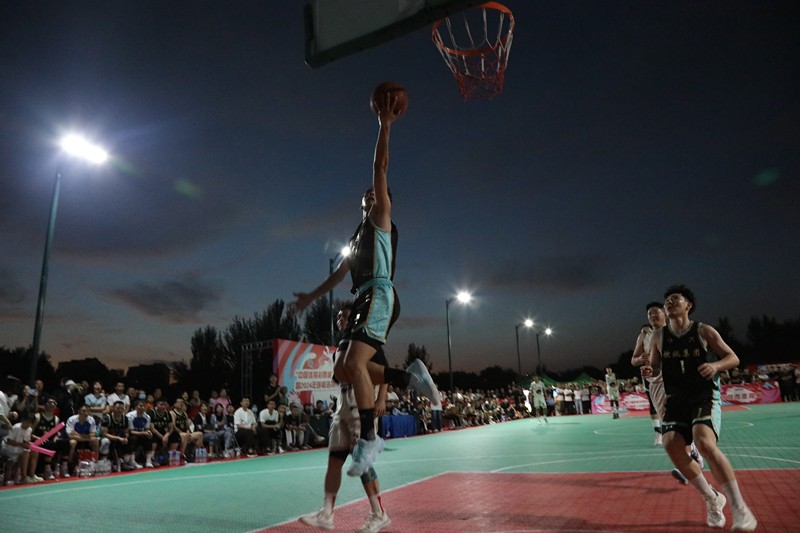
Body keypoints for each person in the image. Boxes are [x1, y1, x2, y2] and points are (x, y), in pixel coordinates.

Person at [293, 92, 440, 477]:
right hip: (364, 297)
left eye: (376, 191)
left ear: (384, 200)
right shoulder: (357, 236)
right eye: (367, 192)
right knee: (343, 368)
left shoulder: (381, 218)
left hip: (380, 292)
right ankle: (407, 376)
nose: (370, 192)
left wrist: (384, 126)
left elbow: (380, 165)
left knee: (355, 363)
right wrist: (310, 297)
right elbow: (338, 275)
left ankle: (370, 439)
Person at [642, 284, 757, 531]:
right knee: (670, 443)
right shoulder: (658, 336)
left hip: (703, 395)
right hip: (676, 398)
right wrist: (650, 369)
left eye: (675, 299)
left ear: (689, 305)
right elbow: (656, 365)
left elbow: (733, 357)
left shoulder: (703, 330)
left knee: (703, 442)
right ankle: (712, 498)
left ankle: (741, 509)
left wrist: (715, 366)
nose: (669, 303)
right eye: (667, 300)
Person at [300, 301, 391, 533]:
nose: (340, 319)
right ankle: (326, 513)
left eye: (344, 316)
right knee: (334, 459)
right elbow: (339, 377)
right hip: (342, 406)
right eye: (339, 316)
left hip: (360, 406)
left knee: (362, 462)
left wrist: (381, 399)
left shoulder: (366, 343)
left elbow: (385, 372)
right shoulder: (341, 346)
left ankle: (379, 513)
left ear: (355, 318)